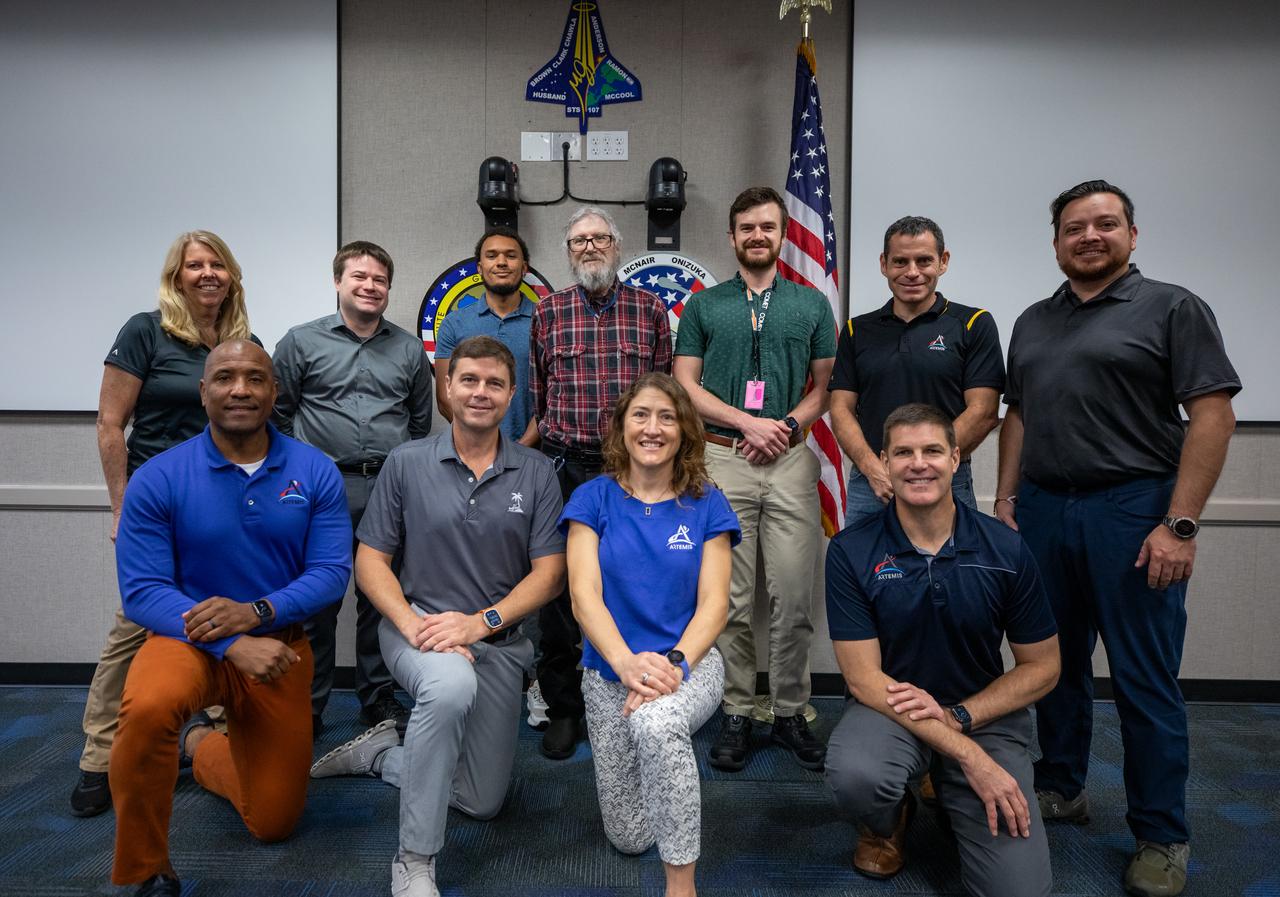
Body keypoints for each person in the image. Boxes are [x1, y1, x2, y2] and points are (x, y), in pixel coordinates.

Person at [996, 180, 1240, 897]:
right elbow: (1018, 414)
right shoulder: (1033, 320)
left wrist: (1180, 523)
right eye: (1075, 227)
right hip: (1044, 508)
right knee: (1051, 664)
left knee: (1143, 677)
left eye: (1106, 224)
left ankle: (1161, 833)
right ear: (1056, 243)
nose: (1090, 236)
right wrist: (1006, 497)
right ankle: (1062, 785)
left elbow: (1212, 415)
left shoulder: (1173, 307)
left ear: (1133, 235)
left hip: (1134, 511)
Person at [309, 335, 565, 897]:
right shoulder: (406, 463)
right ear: (446, 389)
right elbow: (371, 560)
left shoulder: (537, 471)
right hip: (419, 630)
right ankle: (414, 861)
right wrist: (412, 625)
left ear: (512, 393)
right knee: (448, 688)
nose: (480, 392)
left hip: (497, 639)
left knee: (480, 800)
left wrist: (480, 624)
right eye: (467, 380)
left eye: (494, 383)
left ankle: (381, 756)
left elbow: (549, 575)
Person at [109, 340, 352, 897]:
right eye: (224, 378)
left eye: (253, 378)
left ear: (275, 391)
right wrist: (228, 643)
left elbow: (331, 572)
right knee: (146, 710)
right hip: (186, 639)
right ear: (203, 392)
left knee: (273, 823)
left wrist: (257, 613)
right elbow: (143, 592)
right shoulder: (159, 477)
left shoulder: (314, 472)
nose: (239, 389)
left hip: (278, 647)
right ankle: (142, 871)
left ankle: (199, 749)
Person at [824, 403, 1059, 895]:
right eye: (903, 453)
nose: (918, 464)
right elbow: (863, 679)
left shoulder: (1006, 549)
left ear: (956, 458)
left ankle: (956, 795)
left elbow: (1043, 668)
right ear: (884, 463)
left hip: (983, 715)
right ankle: (892, 816)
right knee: (857, 774)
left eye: (932, 450)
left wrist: (961, 719)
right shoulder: (851, 551)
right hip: (889, 710)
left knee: (1018, 891)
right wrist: (967, 755)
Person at [72, 230, 259, 818]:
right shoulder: (145, 331)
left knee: (225, 612)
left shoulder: (241, 341)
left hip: (227, 507)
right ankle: (99, 757)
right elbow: (110, 424)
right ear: (177, 276)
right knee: (134, 627)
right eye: (194, 265)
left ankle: (224, 741)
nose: (207, 274)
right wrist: (122, 506)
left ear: (230, 275)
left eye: (217, 265)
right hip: (158, 506)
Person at [673, 185, 835, 772]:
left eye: (768, 226)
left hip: (790, 460)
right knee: (731, 599)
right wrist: (748, 423)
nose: (757, 236)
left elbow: (825, 388)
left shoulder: (812, 304)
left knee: (792, 596)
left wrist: (785, 426)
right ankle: (738, 709)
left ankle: (791, 709)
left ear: (783, 233)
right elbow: (686, 385)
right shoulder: (705, 305)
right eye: (747, 228)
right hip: (721, 460)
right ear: (733, 236)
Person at [564, 373, 738, 897]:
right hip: (609, 673)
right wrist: (627, 665)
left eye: (666, 417)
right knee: (630, 836)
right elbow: (583, 597)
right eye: (641, 415)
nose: (653, 428)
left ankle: (680, 885)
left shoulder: (707, 502)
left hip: (688, 666)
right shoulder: (593, 497)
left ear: (684, 431)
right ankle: (670, 775)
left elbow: (714, 604)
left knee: (659, 724)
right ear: (622, 426)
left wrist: (674, 666)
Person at [272, 241, 433, 738]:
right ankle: (310, 703)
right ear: (338, 282)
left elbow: (421, 422)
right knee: (319, 600)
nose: (370, 286)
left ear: (389, 289)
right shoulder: (300, 342)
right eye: (359, 277)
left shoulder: (407, 348)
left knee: (379, 598)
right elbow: (276, 413)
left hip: (388, 486)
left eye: (379, 280)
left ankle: (377, 698)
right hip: (322, 490)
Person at [529, 205, 672, 759]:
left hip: (629, 471)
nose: (590, 248)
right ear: (568, 253)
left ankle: (632, 695)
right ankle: (565, 707)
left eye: (599, 239)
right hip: (564, 468)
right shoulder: (548, 313)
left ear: (617, 246)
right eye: (579, 241)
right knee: (559, 590)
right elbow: (542, 396)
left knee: (633, 583)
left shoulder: (650, 310)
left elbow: (663, 397)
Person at [829, 216, 1003, 521]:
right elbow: (841, 410)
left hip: (946, 479)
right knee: (865, 568)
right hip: (872, 483)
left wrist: (925, 464)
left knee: (952, 568)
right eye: (900, 261)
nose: (912, 272)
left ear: (943, 261)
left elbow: (984, 412)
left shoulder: (974, 324)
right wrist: (876, 469)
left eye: (924, 261)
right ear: (884, 264)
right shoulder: (857, 330)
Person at [434, 227, 539, 446]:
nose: (501, 262)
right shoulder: (454, 323)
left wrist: (519, 449)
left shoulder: (546, 320)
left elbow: (552, 399)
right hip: (470, 452)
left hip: (532, 453)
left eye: (511, 256)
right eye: (492, 256)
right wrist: (479, 441)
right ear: (480, 268)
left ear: (524, 268)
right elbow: (445, 398)